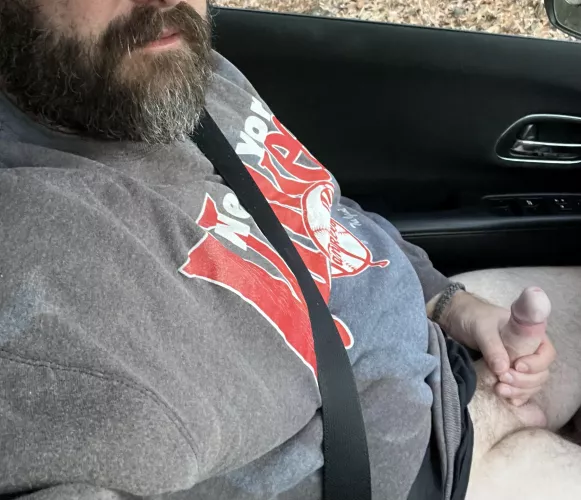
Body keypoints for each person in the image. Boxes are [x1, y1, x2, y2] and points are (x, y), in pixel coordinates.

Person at [0, 1, 579, 499]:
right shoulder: (38, 255)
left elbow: (317, 213)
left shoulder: (173, 68)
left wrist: (450, 303)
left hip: (433, 354)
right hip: (415, 476)